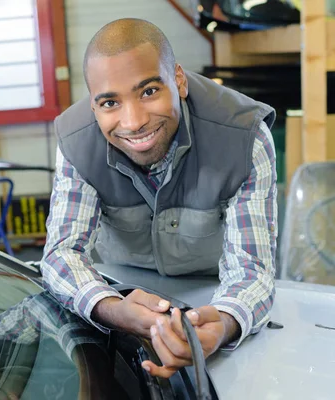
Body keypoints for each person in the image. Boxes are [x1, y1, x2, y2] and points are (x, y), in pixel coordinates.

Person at [40, 18, 278, 378]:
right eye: (109, 103)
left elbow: (252, 270)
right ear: (92, 105)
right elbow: (60, 254)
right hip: (120, 296)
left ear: (178, 80)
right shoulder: (76, 143)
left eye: (149, 91)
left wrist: (225, 322)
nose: (133, 121)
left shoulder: (244, 137)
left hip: (214, 295)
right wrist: (109, 307)